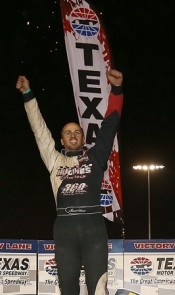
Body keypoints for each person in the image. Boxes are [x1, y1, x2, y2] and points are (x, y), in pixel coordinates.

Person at [16, 69, 123, 295]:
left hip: (93, 228)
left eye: (77, 132)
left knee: (98, 287)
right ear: (62, 139)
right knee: (68, 289)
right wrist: (28, 94)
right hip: (64, 231)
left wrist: (116, 90)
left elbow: (109, 127)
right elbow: (39, 130)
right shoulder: (55, 160)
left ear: (83, 137)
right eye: (67, 133)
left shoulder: (95, 157)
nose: (73, 135)